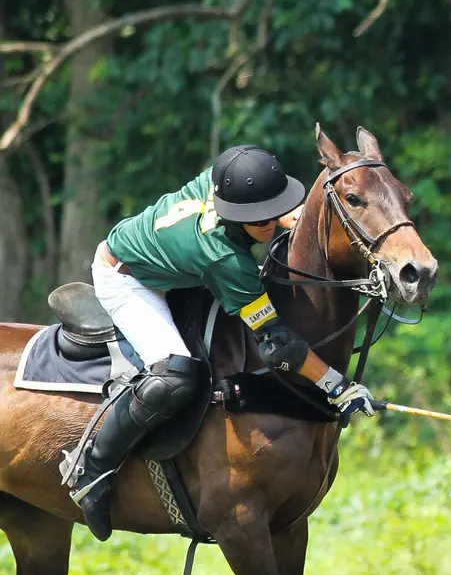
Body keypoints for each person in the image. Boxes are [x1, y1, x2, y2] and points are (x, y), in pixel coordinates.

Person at [71, 144, 376, 541]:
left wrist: (282, 214)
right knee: (175, 374)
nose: (269, 222)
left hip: (175, 264)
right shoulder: (224, 259)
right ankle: (92, 470)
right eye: (259, 218)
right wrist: (337, 386)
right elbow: (276, 343)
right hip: (128, 280)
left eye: (272, 209)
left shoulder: (223, 181)